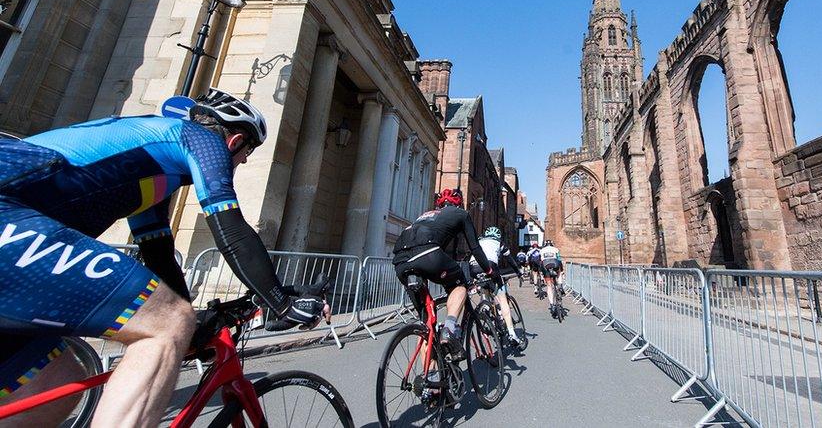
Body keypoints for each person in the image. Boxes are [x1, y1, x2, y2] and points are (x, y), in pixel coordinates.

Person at [0, 88, 329, 426]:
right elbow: (231, 231)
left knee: (57, 381)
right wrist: (282, 304)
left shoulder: (151, 175)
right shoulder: (200, 139)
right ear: (235, 141)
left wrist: (191, 323)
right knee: (166, 322)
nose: (243, 161)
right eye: (247, 152)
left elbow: (157, 254)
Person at [393, 188, 495, 354]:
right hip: (428, 253)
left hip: (400, 260)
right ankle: (449, 328)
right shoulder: (461, 214)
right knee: (460, 285)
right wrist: (490, 270)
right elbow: (475, 248)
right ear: (459, 203)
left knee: (427, 324)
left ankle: (430, 375)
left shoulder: (426, 215)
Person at [469, 227, 522, 345]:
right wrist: (518, 272)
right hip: (490, 266)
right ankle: (512, 334)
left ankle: (486, 311)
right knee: (503, 300)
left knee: (484, 287)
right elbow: (510, 260)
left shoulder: (479, 240)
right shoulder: (499, 242)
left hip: (473, 267)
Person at [539, 239, 564, 317]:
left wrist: (541, 272)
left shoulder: (542, 250)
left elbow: (540, 261)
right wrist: (562, 270)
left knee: (549, 286)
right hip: (555, 263)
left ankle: (552, 305)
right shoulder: (555, 249)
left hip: (545, 265)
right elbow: (559, 259)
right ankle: (560, 284)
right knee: (560, 272)